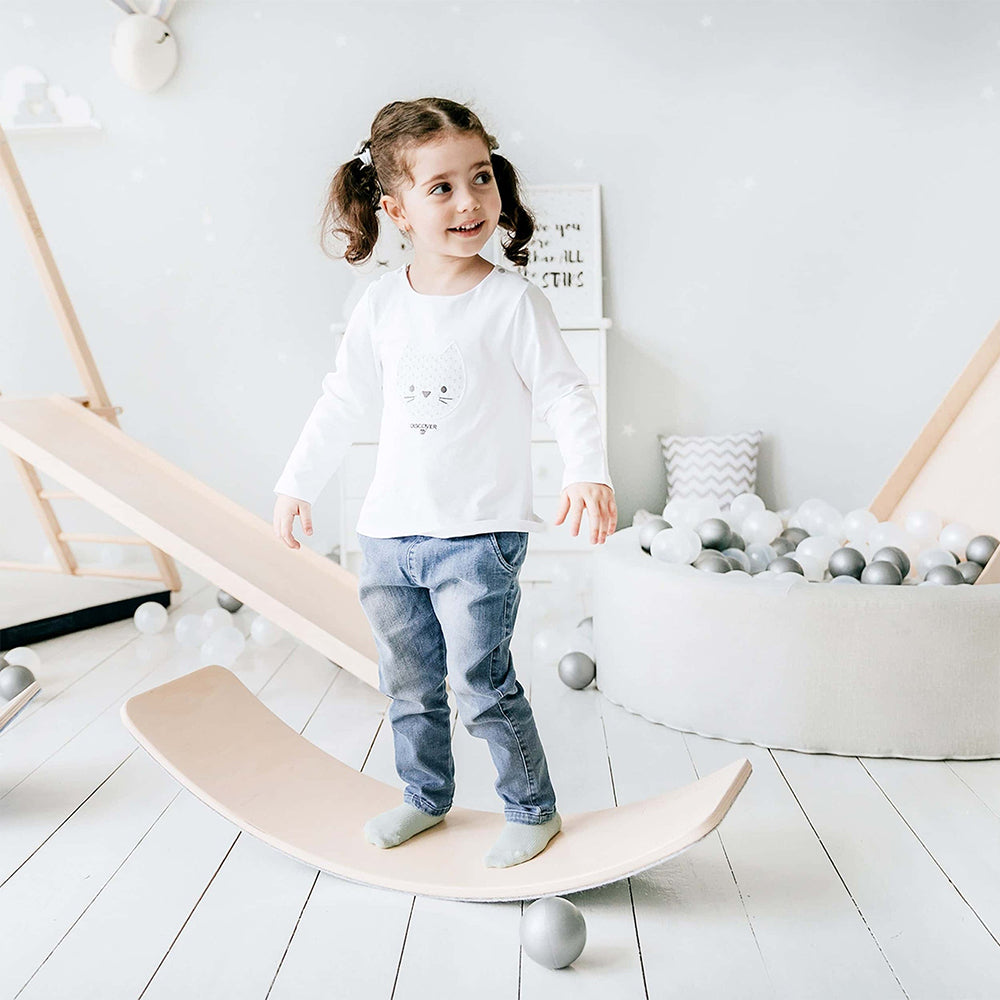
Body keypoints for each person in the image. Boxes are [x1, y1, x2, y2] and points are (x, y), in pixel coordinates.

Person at [273, 97, 616, 869]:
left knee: (482, 684)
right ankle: (425, 798)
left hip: (479, 536)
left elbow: (565, 391)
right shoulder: (382, 305)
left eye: (482, 178)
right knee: (410, 687)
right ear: (395, 209)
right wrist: (298, 483)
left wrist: (586, 469)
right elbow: (342, 401)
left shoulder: (512, 302)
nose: (469, 203)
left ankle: (532, 808)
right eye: (442, 188)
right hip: (388, 535)